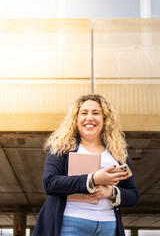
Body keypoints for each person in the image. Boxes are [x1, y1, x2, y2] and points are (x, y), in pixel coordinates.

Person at [33, 94, 138, 236]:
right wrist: (93, 179)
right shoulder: (61, 147)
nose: (89, 117)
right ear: (76, 119)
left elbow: (133, 195)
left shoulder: (117, 153)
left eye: (96, 113)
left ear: (105, 119)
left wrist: (111, 192)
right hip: (71, 222)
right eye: (84, 113)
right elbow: (50, 183)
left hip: (109, 225)